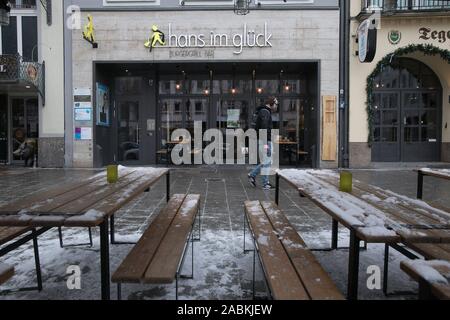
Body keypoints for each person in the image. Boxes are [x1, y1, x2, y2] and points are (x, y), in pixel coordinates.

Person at [248, 96, 278, 190]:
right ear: (271, 103)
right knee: (267, 161)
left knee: (266, 161)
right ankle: (265, 183)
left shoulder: (264, 111)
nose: (276, 106)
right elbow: (264, 129)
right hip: (265, 141)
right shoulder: (265, 112)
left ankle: (252, 175)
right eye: (276, 104)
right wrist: (266, 145)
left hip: (264, 140)